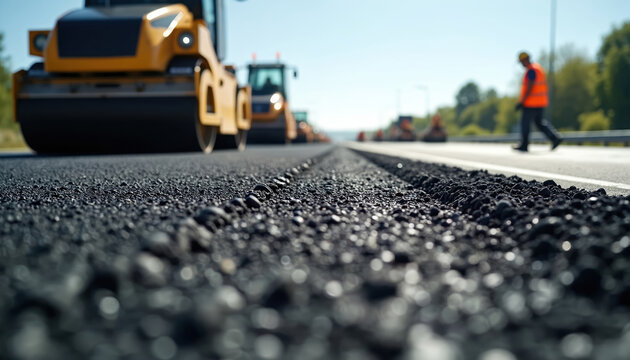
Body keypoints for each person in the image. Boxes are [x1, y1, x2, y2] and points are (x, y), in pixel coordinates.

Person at [513, 51, 562, 152]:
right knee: (539, 123)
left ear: (525, 60)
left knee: (525, 123)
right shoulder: (538, 68)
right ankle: (555, 138)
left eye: (522, 62)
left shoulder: (531, 70)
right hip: (540, 102)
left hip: (531, 102)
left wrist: (522, 101)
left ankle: (524, 145)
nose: (522, 64)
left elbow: (530, 86)